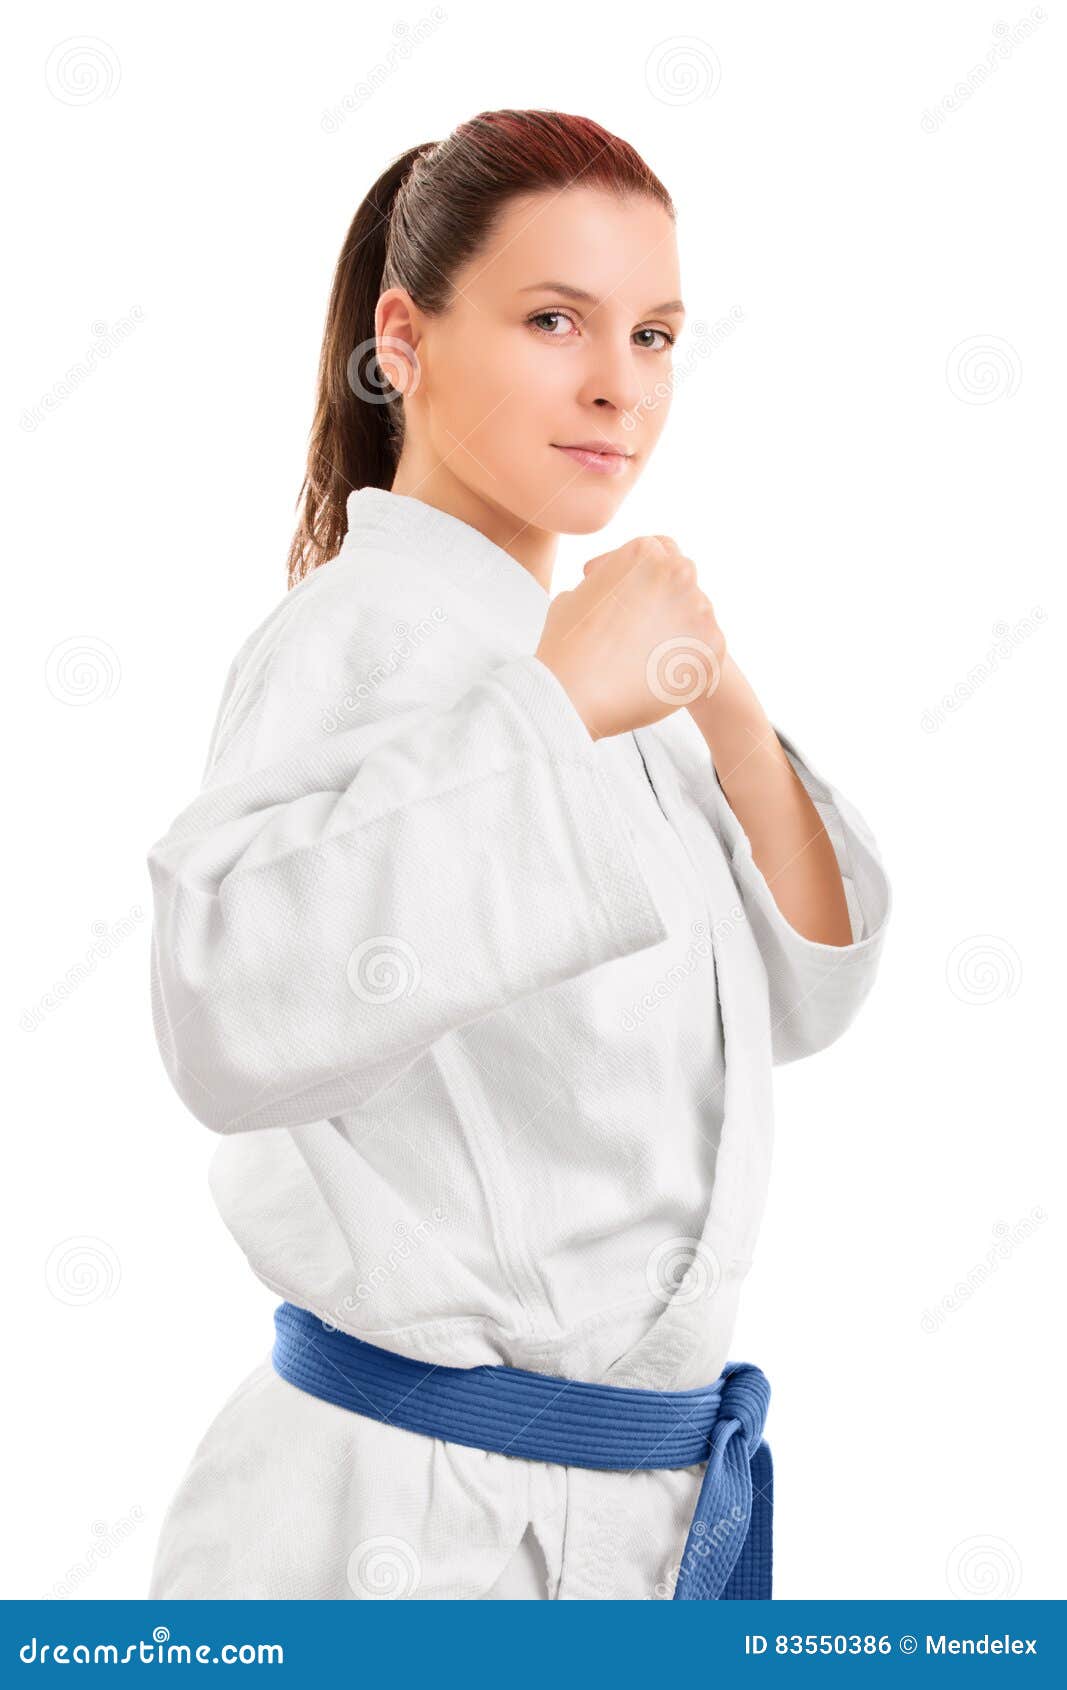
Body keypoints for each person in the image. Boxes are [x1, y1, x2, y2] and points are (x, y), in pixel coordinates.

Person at [145, 108, 892, 1600]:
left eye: (659, 334)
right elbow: (227, 1015)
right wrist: (559, 703)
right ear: (405, 338)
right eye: (556, 320)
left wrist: (722, 704)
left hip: (627, 1517)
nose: (620, 385)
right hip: (400, 1527)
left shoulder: (599, 677)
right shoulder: (350, 642)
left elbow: (805, 995)